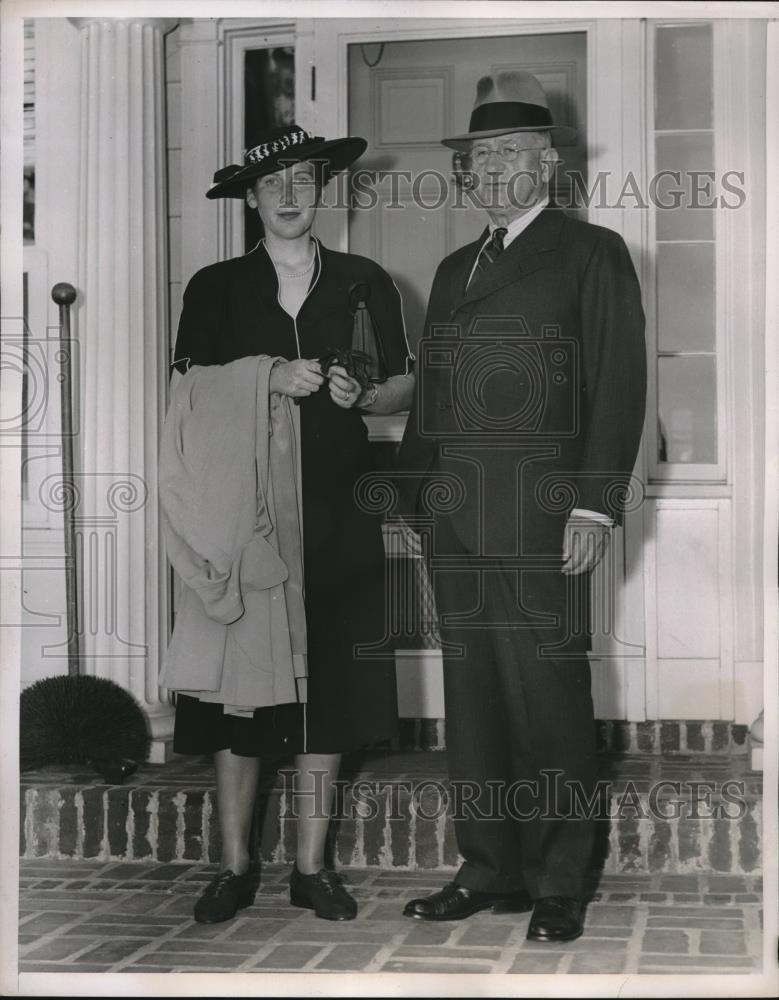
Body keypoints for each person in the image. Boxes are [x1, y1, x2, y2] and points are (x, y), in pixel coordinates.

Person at [397, 71, 646, 941]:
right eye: (477, 157)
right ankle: (489, 867)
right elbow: (431, 392)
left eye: (508, 152)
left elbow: (618, 387)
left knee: (548, 698)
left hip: (544, 518)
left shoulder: (591, 253)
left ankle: (559, 882)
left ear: (546, 162)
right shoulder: (453, 265)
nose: (490, 168)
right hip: (456, 522)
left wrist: (592, 508)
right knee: (472, 702)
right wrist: (414, 500)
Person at [163, 124, 415, 923]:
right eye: (272, 183)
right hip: (243, 516)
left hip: (338, 509)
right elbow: (188, 395)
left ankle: (312, 869)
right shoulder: (214, 287)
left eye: (304, 180)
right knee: (243, 693)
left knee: (328, 686)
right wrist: (271, 378)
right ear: (249, 197)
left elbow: (407, 384)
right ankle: (235, 865)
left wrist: (365, 397)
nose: (289, 195)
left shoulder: (365, 281)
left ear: (321, 190)